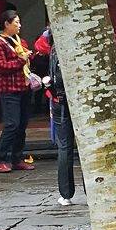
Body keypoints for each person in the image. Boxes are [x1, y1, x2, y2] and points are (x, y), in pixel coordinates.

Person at [29, 26, 78, 205]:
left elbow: (39, 45)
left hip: (57, 100)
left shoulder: (50, 43)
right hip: (79, 102)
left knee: (64, 147)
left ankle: (65, 194)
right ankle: (92, 191)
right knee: (86, 147)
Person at [0, 9, 38, 172]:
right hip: (9, 89)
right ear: (6, 24)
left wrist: (29, 56)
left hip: (23, 87)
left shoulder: (19, 40)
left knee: (22, 124)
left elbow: (25, 59)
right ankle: (0, 159)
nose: (19, 25)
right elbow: (1, 67)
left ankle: (17, 158)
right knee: (11, 124)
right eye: (16, 22)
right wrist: (20, 60)